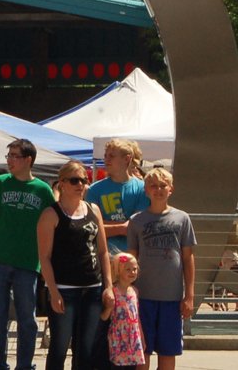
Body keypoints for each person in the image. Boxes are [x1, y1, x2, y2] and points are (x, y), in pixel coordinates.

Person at [0, 139, 55, 370]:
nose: (9, 160)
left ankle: (25, 365)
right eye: (8, 155)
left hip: (28, 262)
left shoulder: (42, 189)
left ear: (28, 160)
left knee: (27, 320)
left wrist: (48, 257)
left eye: (14, 156)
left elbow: (51, 222)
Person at [39, 160, 113, 370]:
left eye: (84, 180)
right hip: (64, 289)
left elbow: (103, 251)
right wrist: (53, 292)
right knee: (59, 347)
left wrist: (108, 286)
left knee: (86, 349)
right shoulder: (50, 215)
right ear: (62, 183)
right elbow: (44, 257)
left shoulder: (94, 210)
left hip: (92, 288)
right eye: (74, 180)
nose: (80, 184)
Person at [87, 138, 150, 367]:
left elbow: (139, 225)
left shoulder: (141, 189)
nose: (107, 159)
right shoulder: (95, 190)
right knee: (106, 320)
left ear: (127, 159)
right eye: (106, 154)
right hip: (105, 265)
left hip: (132, 267)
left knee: (132, 323)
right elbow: (93, 227)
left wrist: (111, 227)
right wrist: (120, 227)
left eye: (112, 155)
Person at [127, 167, 196, 370]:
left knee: (168, 352)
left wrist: (189, 295)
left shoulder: (182, 218)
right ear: (146, 190)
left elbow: (188, 257)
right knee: (143, 352)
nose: (158, 190)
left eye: (162, 185)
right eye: (153, 186)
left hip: (171, 298)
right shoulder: (136, 221)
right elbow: (131, 257)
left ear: (171, 189)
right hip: (143, 296)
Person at [103, 252, 146, 369]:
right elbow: (104, 317)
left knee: (132, 367)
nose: (132, 272)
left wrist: (141, 336)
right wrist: (109, 307)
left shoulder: (135, 291)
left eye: (135, 269)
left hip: (133, 337)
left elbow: (136, 317)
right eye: (128, 269)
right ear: (118, 271)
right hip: (118, 337)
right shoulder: (112, 291)